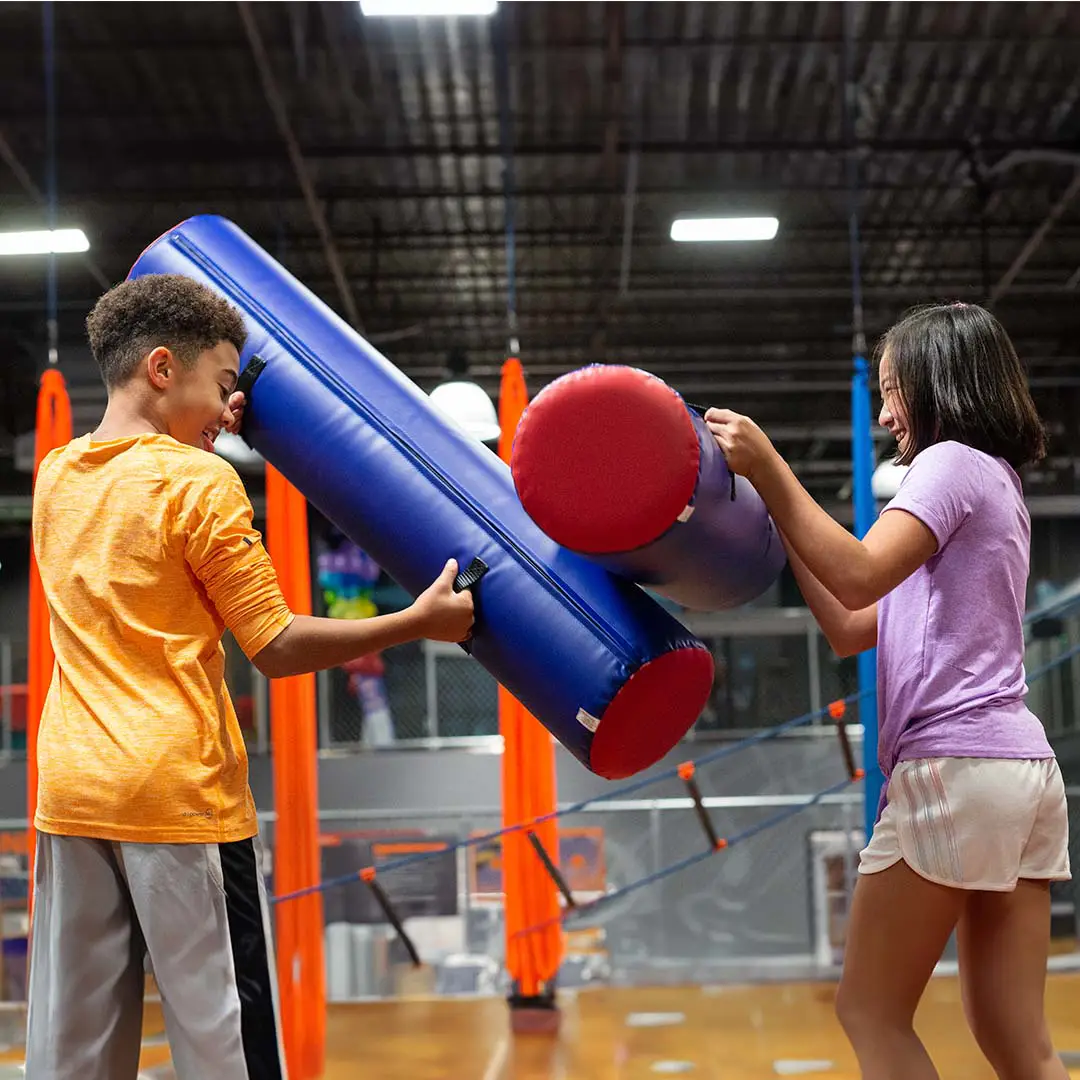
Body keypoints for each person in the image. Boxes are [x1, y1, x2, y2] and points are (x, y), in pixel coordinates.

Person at [26, 273, 475, 1080]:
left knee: (73, 1056)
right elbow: (273, 642)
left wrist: (202, 419)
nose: (230, 411)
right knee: (224, 1048)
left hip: (71, 793)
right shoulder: (200, 484)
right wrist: (419, 621)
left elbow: (148, 471)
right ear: (164, 368)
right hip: (177, 796)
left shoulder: (58, 476)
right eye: (223, 385)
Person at [705, 302, 1069, 1080]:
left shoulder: (951, 463)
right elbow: (850, 622)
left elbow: (860, 569)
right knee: (1018, 1040)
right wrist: (778, 510)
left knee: (869, 1010)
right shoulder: (995, 484)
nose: (884, 413)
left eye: (893, 390)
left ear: (940, 383)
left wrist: (770, 466)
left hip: (954, 770)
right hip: (1021, 775)